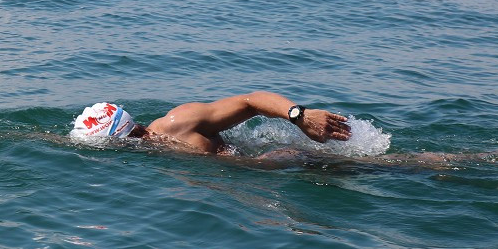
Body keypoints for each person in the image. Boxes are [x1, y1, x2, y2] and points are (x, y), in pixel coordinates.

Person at [71, 92, 352, 155]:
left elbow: (250, 102)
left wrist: (299, 116)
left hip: (294, 161)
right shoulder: (155, 145)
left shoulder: (176, 123)